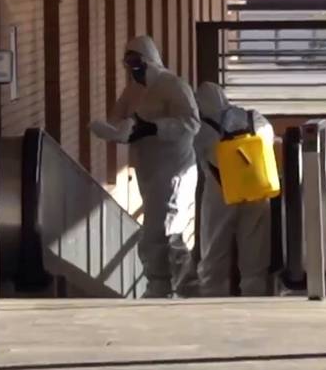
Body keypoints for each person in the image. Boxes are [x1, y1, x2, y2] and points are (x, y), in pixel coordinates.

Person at [90, 36, 201, 298]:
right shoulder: (132, 91)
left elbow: (191, 123)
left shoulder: (173, 85)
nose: (133, 71)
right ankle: (161, 286)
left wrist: (153, 128)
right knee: (155, 229)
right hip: (147, 169)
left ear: (149, 62)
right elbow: (117, 118)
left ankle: (176, 287)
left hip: (174, 169)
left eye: (137, 65)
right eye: (129, 66)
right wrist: (115, 131)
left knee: (166, 230)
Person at [193, 82, 273, 297]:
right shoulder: (252, 116)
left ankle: (212, 301)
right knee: (255, 252)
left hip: (220, 192)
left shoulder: (199, 127)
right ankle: (254, 297)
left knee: (214, 252)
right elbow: (268, 140)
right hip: (256, 187)